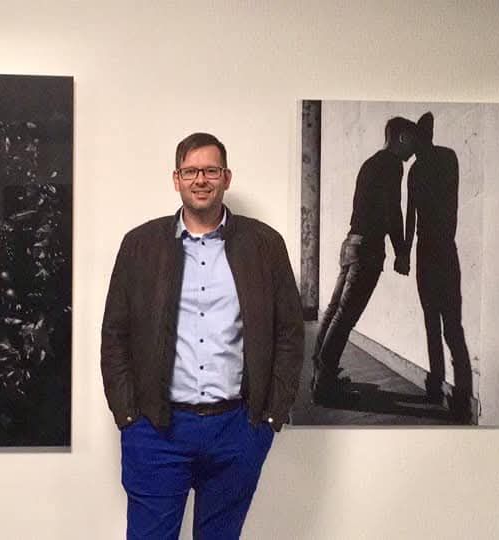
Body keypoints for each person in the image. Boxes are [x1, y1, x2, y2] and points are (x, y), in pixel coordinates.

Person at [101, 132, 303, 539]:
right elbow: (115, 336)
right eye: (191, 171)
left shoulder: (264, 245)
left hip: (237, 429)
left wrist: (269, 417)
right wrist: (129, 417)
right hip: (157, 430)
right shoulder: (140, 245)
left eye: (211, 170)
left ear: (226, 177)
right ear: (176, 179)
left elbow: (289, 334)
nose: (201, 179)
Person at [310, 117, 415, 405]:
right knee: (344, 318)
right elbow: (393, 210)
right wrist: (402, 251)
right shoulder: (393, 165)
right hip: (367, 248)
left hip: (351, 244)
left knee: (333, 312)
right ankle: (325, 386)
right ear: (402, 137)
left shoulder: (370, 162)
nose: (414, 151)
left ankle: (321, 374)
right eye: (413, 141)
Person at [405, 112, 474, 424]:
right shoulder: (447, 159)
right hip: (443, 248)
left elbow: (411, 217)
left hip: (430, 250)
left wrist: (405, 253)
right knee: (450, 326)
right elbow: (436, 209)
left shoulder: (418, 169)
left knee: (436, 323)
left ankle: (439, 387)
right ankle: (458, 397)